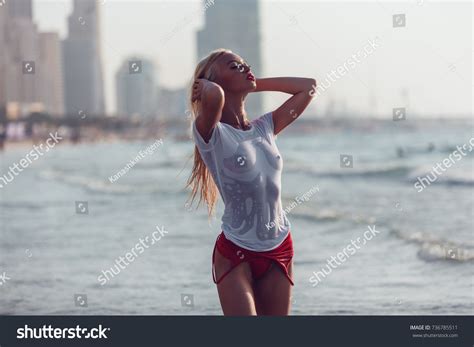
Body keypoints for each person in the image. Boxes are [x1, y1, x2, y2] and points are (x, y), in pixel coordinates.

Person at [186, 48, 316, 315]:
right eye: (234, 66)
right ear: (214, 82)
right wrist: (214, 87)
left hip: (279, 245)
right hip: (236, 251)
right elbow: (214, 98)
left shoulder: (265, 127)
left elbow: (308, 87)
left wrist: (252, 84)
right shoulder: (211, 133)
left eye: (245, 64)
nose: (245, 68)